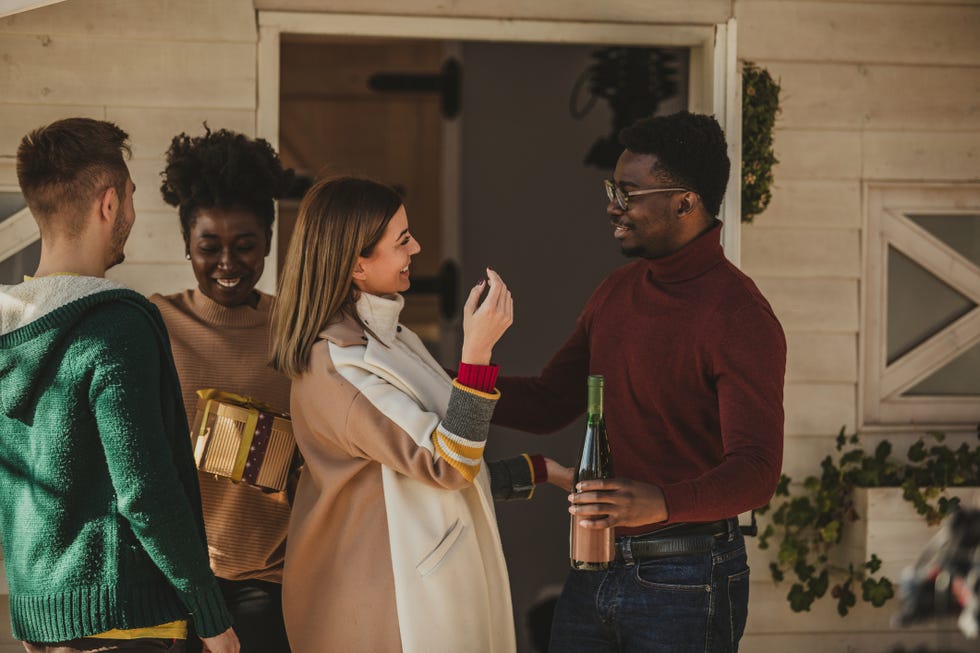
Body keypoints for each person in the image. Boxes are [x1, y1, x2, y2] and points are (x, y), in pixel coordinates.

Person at [492, 111, 787, 652]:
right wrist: (438, 383)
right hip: (593, 568)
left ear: (684, 201)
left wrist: (661, 503)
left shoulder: (740, 316)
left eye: (628, 192)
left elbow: (757, 472)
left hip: (691, 577)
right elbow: (547, 402)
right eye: (613, 189)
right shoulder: (615, 292)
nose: (612, 206)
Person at [270, 177, 570, 652]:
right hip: (385, 609)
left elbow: (418, 465)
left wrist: (539, 471)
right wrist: (477, 352)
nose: (418, 247)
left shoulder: (392, 341)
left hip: (413, 591)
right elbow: (446, 464)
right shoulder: (339, 366)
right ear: (356, 264)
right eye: (402, 240)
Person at [0, 118, 238, 653]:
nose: (131, 210)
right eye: (130, 196)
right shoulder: (116, 323)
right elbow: (146, 490)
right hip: (129, 621)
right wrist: (211, 616)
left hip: (43, 624)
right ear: (108, 204)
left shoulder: (7, 327)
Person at [150, 127, 294, 653]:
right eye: (209, 247)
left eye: (245, 246)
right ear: (187, 245)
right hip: (172, 580)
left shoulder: (296, 330)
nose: (228, 264)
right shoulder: (155, 322)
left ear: (269, 243)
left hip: (269, 580)